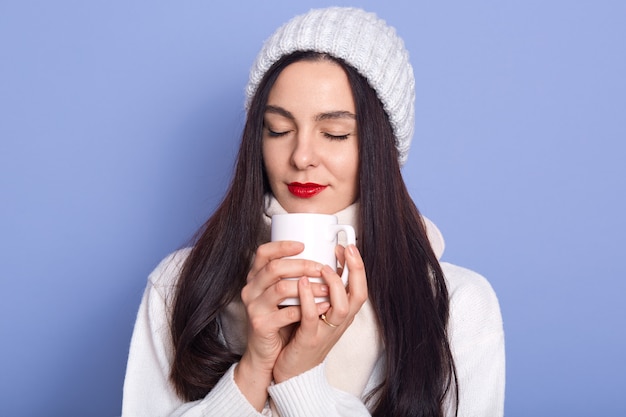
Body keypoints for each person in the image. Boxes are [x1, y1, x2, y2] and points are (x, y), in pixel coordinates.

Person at [122, 6, 505, 417]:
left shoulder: (458, 304)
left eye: (334, 133)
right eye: (279, 130)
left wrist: (300, 378)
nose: (302, 156)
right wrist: (253, 370)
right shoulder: (178, 287)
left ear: (381, 149)